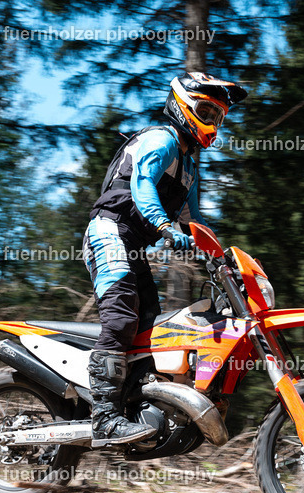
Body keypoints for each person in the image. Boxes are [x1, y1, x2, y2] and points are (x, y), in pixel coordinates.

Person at [82, 72, 247, 447]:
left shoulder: (190, 167)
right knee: (123, 315)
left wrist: (223, 258)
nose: (212, 122)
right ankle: (104, 419)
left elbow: (195, 221)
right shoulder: (162, 140)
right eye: (206, 110)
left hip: (134, 245)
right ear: (181, 105)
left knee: (150, 326)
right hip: (109, 231)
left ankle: (134, 406)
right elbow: (142, 182)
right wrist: (164, 225)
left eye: (218, 116)